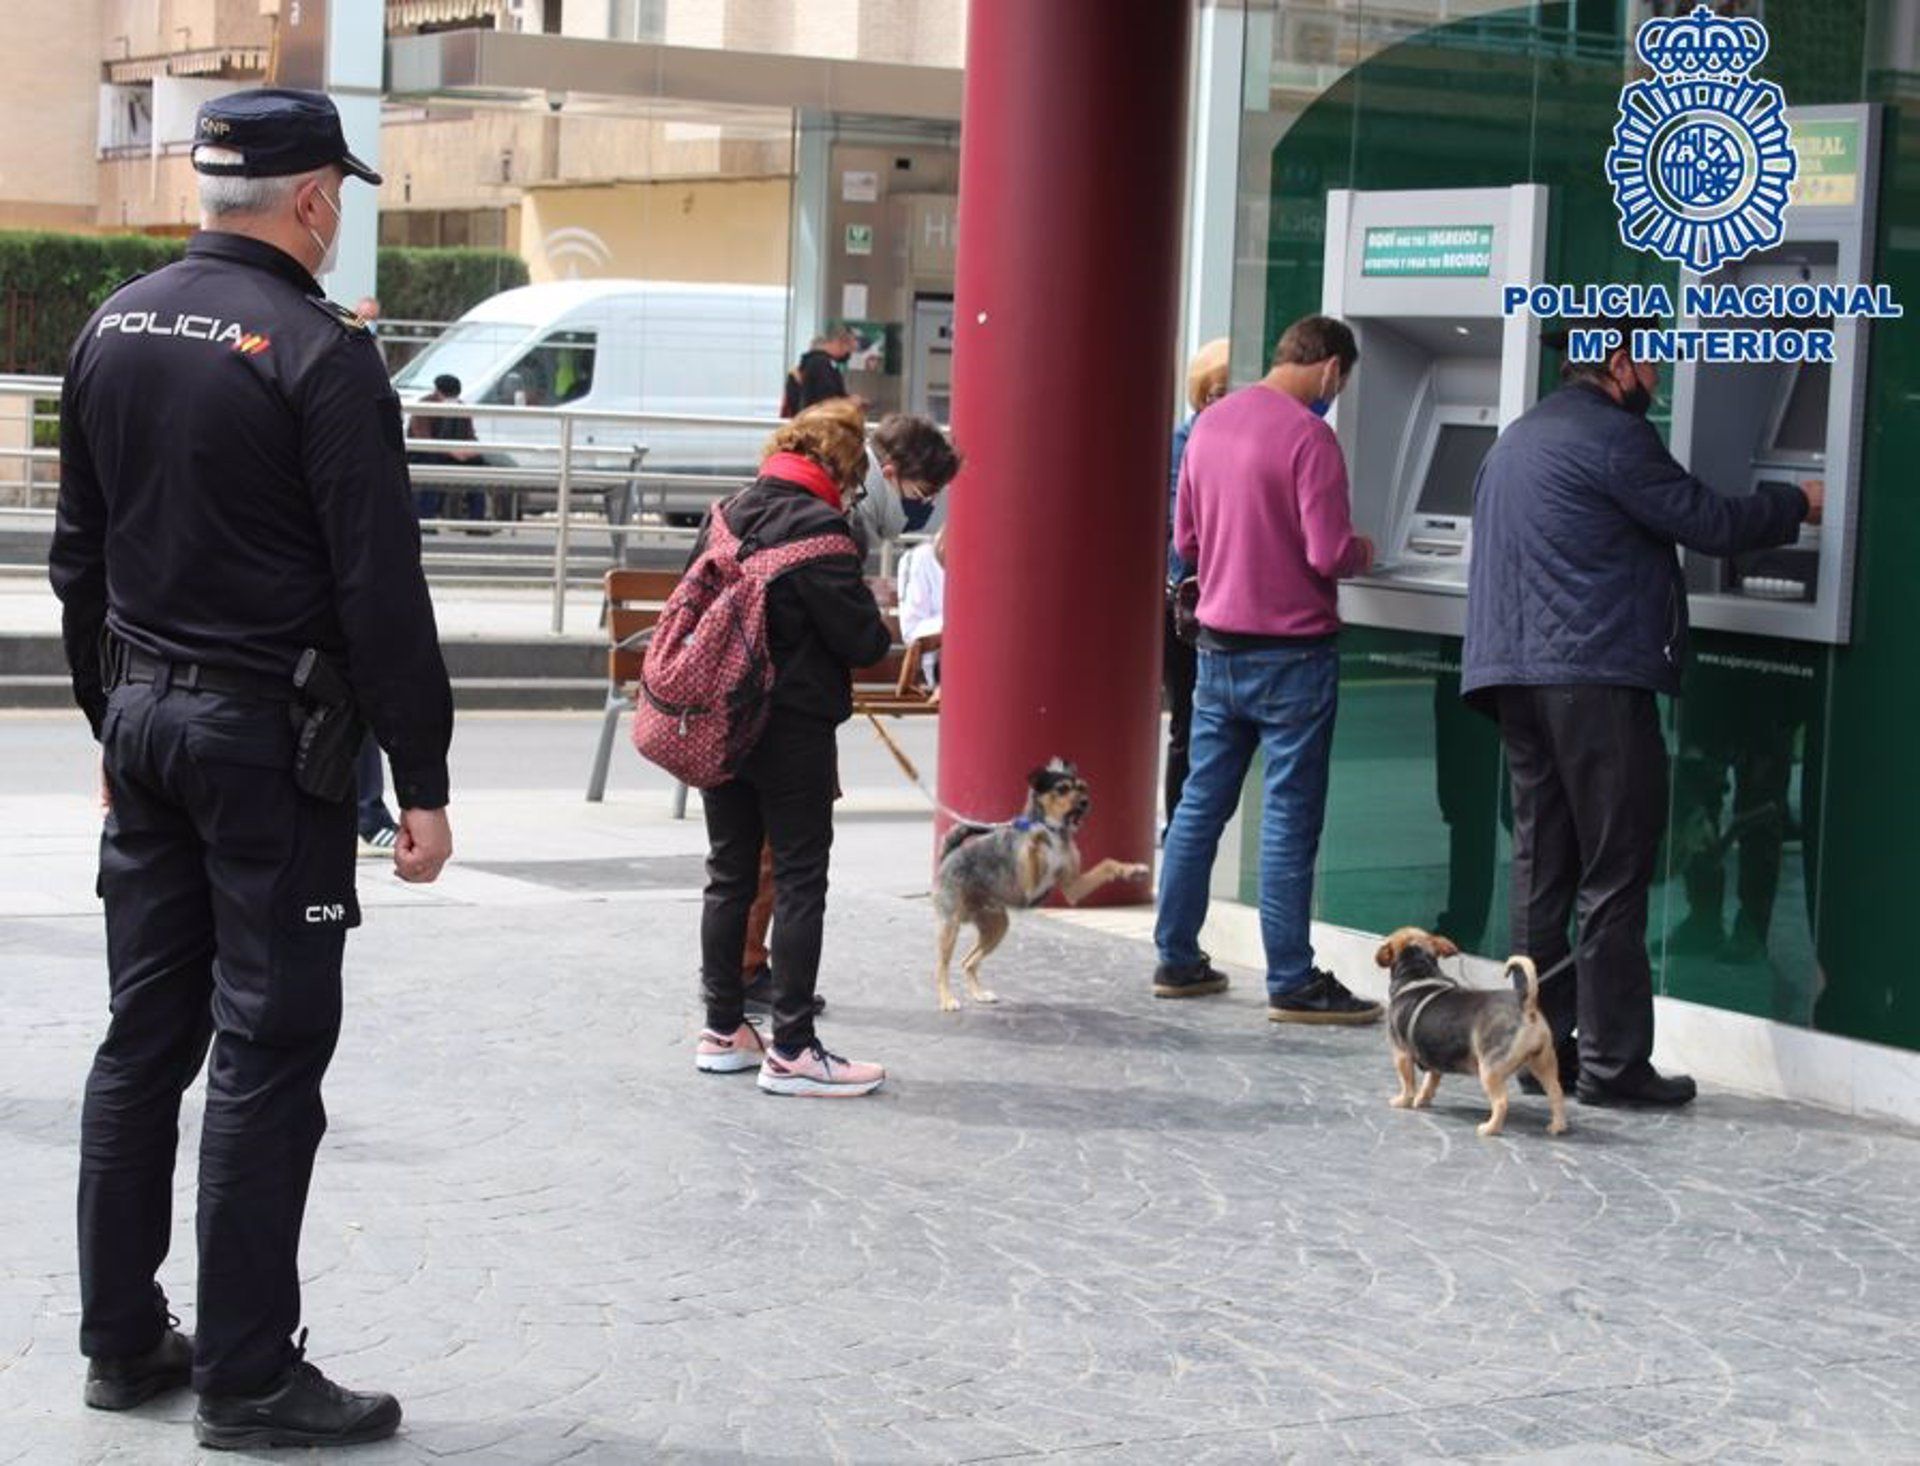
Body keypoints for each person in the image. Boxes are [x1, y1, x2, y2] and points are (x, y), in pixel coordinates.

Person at [47, 89, 454, 1449]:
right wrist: (429, 778)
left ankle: (120, 1340)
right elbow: (381, 594)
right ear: (315, 200)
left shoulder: (111, 323)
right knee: (269, 1049)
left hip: (149, 722)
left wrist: (110, 723)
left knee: (141, 1038)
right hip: (266, 749)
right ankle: (247, 1373)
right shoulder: (320, 358)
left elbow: (78, 560)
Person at [1462, 317, 1818, 1108]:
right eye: (1650, 361)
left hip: (1514, 675)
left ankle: (1537, 1045)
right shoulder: (1617, 439)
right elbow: (1711, 523)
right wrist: (1801, 498)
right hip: (1592, 676)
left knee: (1541, 869)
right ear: (1617, 363)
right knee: (1615, 870)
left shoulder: (1516, 439)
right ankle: (1616, 1066)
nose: (1657, 378)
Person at [1152, 315, 1380, 1025]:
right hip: (1293, 657)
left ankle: (1177, 959)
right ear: (1332, 370)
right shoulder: (1312, 438)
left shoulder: (1211, 425)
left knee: (1198, 807)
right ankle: (1290, 978)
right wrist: (1368, 550)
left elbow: (1185, 540)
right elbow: (1326, 551)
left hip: (1218, 649)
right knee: (1286, 819)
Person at [695, 399, 895, 1095]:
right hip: (793, 732)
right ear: (839, 469)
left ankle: (723, 1031)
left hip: (720, 724)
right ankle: (794, 1049)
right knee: (802, 879)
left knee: (729, 873)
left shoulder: (725, 512)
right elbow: (866, 643)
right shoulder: (821, 532)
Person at [735, 413, 963, 1013]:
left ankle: (729, 1003)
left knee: (738, 863)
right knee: (787, 862)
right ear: (882, 473)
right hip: (789, 711)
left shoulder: (754, 502)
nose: (924, 509)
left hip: (745, 701)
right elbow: (855, 639)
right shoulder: (833, 522)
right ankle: (776, 1004)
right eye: (924, 493)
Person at [1163, 338, 1230, 839]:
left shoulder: (1208, 443)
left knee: (1194, 721)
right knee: (1190, 720)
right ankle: (1180, 823)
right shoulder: (1187, 447)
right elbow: (1183, 536)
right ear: (1208, 395)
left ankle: (1184, 824)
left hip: (1203, 598)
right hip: (1187, 603)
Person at [407, 372, 482, 522]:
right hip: (425, 454)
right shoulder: (424, 406)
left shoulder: (460, 407)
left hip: (454, 453)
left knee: (479, 467)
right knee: (432, 467)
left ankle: (477, 520)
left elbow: (470, 435)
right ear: (437, 392)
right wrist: (451, 450)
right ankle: (426, 517)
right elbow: (424, 438)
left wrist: (471, 451)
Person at [779, 324, 857, 417]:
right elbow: (826, 400)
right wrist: (849, 402)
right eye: (849, 349)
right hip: (818, 422)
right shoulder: (821, 364)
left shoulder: (822, 364)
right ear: (838, 343)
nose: (848, 354)